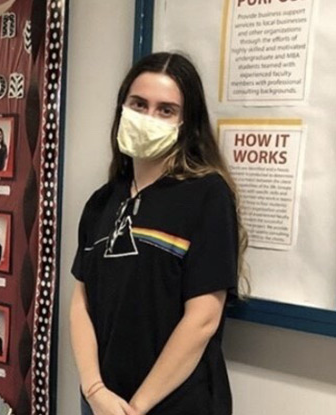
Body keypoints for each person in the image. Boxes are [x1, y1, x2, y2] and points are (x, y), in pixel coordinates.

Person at [69, 52, 248, 415]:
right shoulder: (102, 203)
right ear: (122, 108)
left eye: (166, 110)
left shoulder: (207, 195)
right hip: (103, 401)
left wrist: (138, 406)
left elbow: (202, 319)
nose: (148, 117)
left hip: (173, 403)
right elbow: (81, 302)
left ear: (186, 123)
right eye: (139, 104)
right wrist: (94, 389)